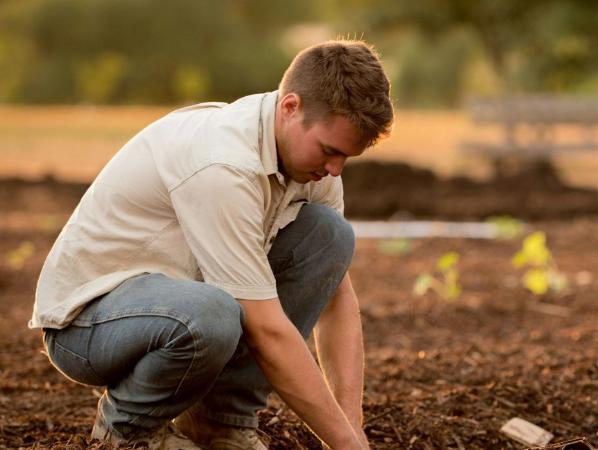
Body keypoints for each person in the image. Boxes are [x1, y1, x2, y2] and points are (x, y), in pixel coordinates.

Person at [29, 39, 393, 450]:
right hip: (88, 324)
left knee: (329, 235)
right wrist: (345, 444)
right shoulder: (224, 165)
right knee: (213, 313)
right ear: (290, 107)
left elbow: (336, 298)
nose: (334, 169)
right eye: (329, 150)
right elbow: (267, 330)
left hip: (177, 303)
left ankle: (219, 423)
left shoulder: (315, 168)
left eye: (346, 157)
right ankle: (127, 431)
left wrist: (352, 428)